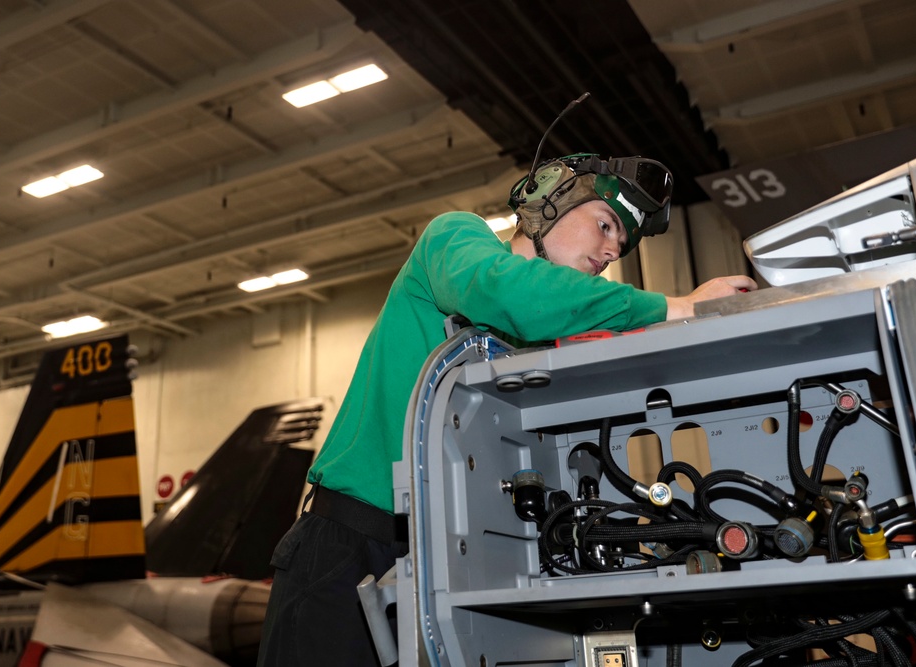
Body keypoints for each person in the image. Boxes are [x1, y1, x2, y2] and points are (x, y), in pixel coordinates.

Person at [256, 152, 757, 666]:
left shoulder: (544, 334)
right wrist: (676, 307)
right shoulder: (455, 241)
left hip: (454, 563)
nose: (611, 250)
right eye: (606, 225)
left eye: (621, 245)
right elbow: (512, 294)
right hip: (351, 547)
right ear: (551, 203)